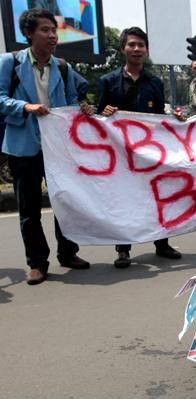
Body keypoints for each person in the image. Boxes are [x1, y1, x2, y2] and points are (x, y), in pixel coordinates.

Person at [0, 8, 92, 285]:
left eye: (54, 30)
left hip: (56, 148)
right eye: (45, 30)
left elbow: (72, 103)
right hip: (22, 148)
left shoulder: (63, 68)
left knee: (64, 202)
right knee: (29, 210)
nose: (52, 36)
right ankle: (37, 263)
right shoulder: (9, 63)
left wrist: (83, 110)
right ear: (28, 33)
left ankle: (68, 252)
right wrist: (24, 107)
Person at [97, 27, 182, 267]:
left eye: (141, 45)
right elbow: (98, 116)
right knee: (124, 199)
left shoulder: (155, 82)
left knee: (157, 196)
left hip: (150, 152)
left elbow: (159, 117)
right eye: (132, 45)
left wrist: (175, 117)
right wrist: (104, 112)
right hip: (120, 155)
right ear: (123, 48)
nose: (136, 49)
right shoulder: (108, 81)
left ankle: (162, 243)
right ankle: (123, 249)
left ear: (146, 50)